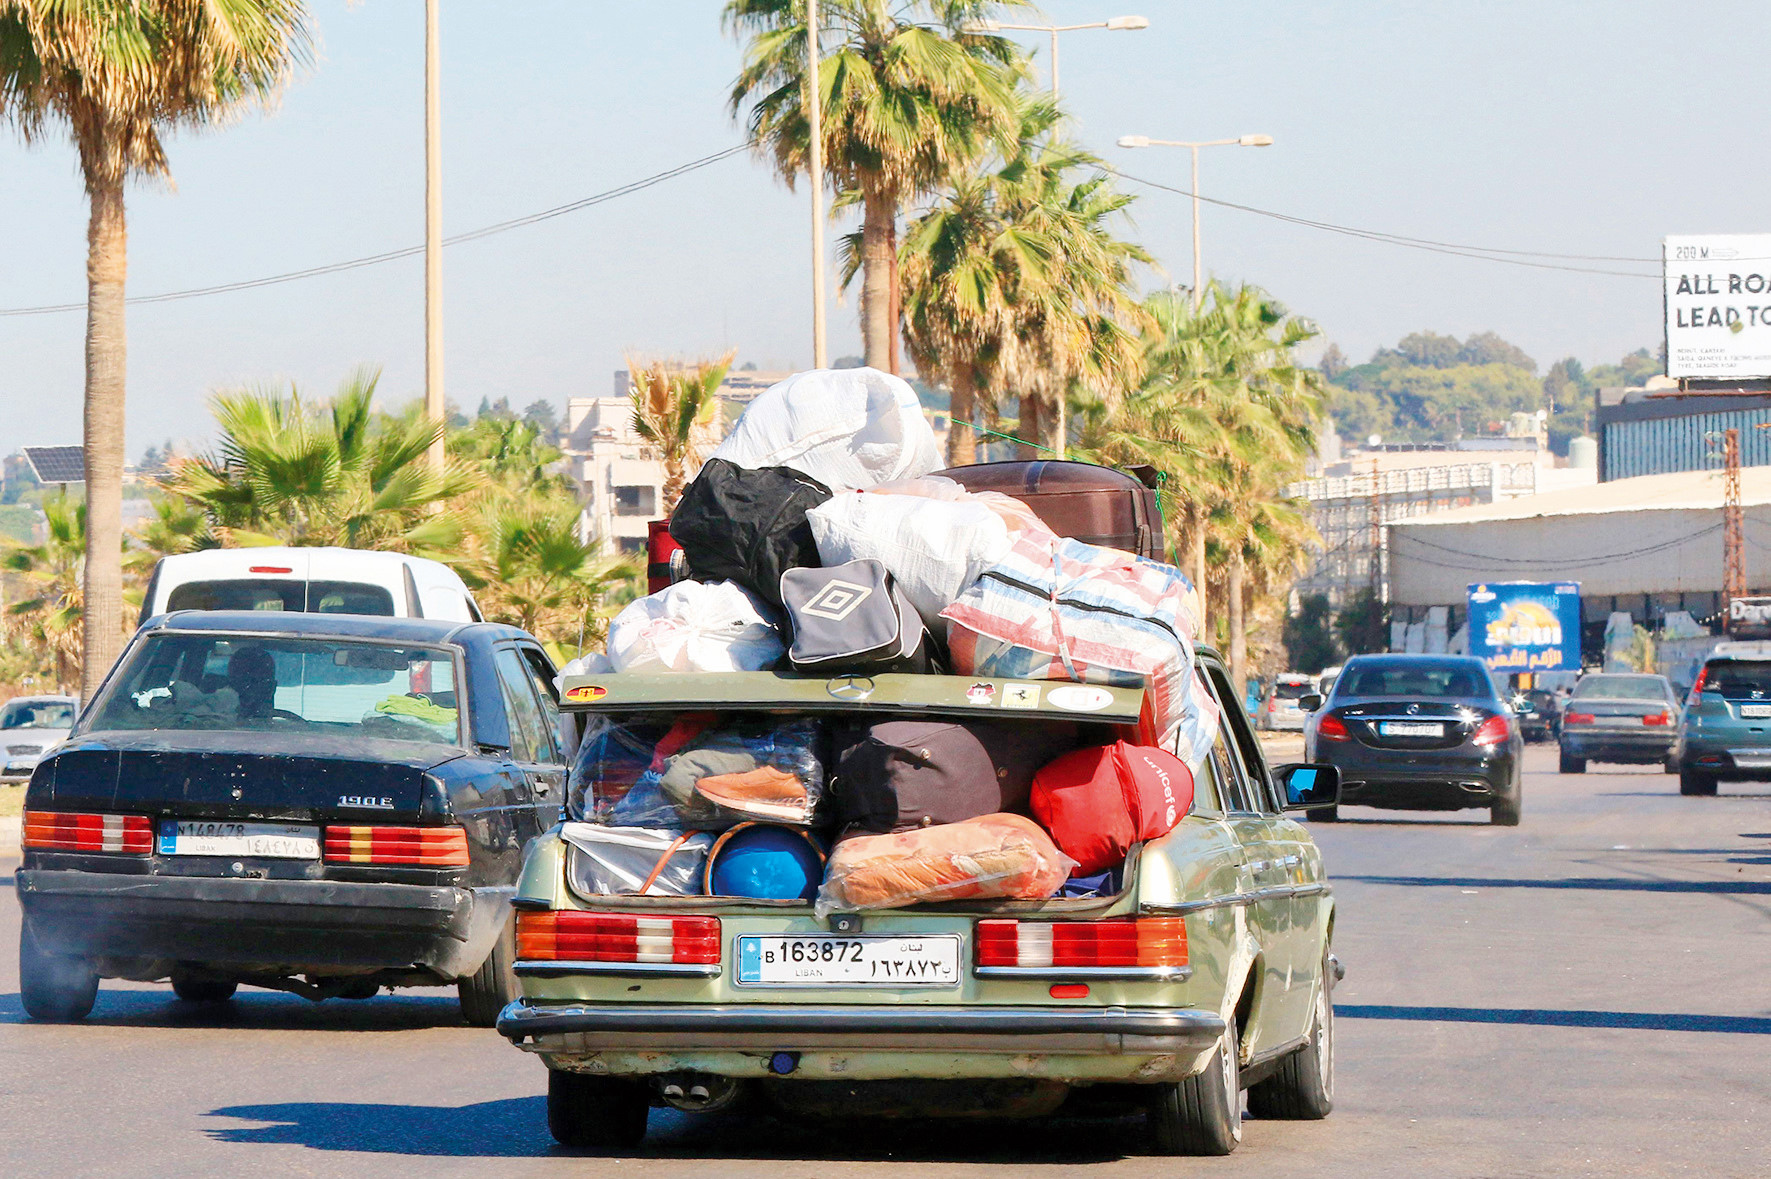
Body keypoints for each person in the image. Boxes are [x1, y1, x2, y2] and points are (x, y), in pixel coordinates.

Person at [226, 646, 278, 720]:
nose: (249, 691)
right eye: (241, 682)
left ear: (272, 687)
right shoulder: (210, 723)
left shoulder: (292, 729)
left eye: (259, 682)